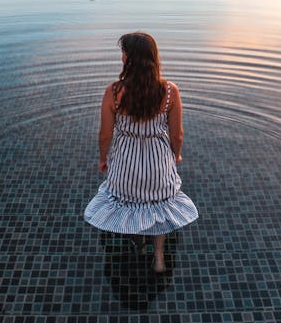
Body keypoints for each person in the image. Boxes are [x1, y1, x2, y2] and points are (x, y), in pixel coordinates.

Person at [84, 32, 198, 273]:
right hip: (158, 164)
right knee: (161, 205)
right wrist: (175, 155)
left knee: (130, 204)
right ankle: (158, 257)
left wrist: (103, 158)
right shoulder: (169, 92)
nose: (121, 56)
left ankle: (137, 241)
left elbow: (105, 135)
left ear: (129, 58)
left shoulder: (114, 93)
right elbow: (177, 134)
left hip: (126, 165)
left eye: (123, 52)